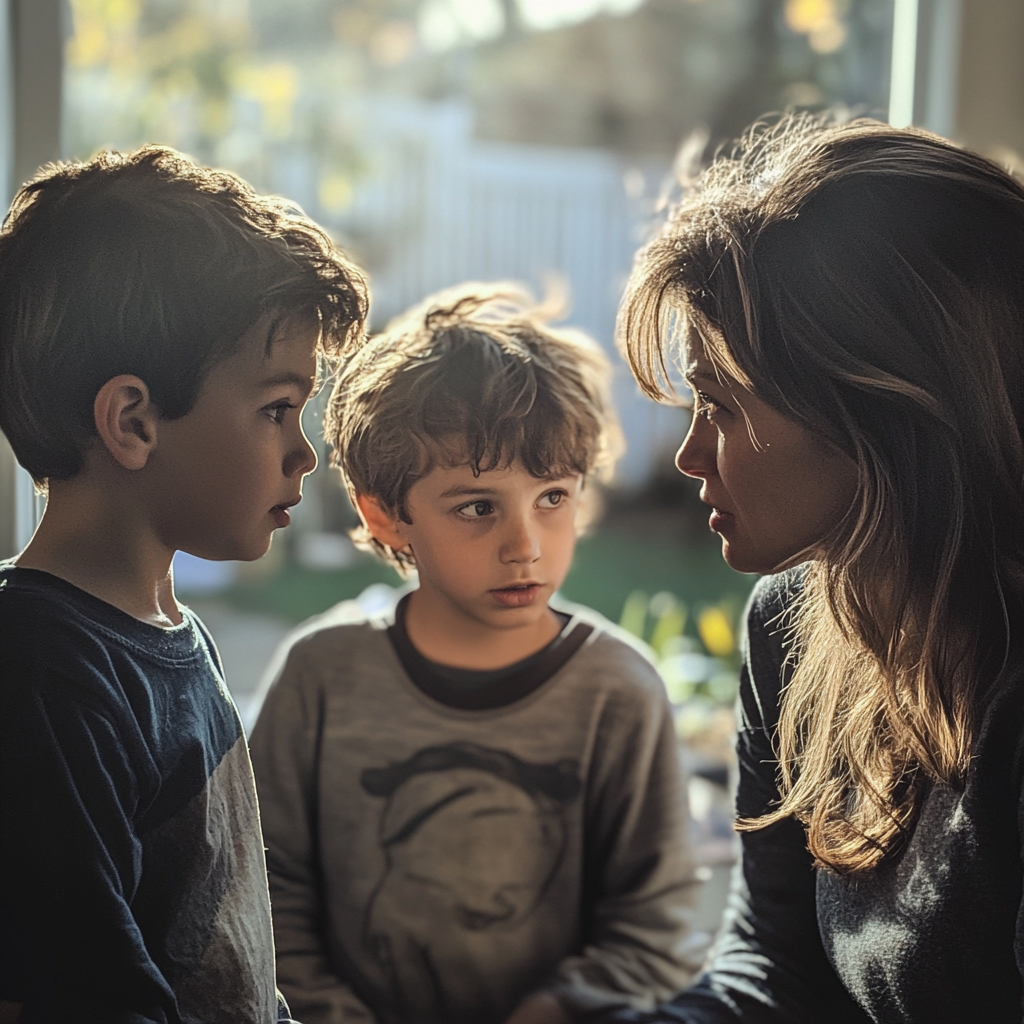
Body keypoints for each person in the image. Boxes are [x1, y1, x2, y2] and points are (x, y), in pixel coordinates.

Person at [605, 116, 1024, 1023]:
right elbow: (775, 965)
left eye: (717, 403)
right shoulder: (789, 630)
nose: (688, 458)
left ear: (877, 412)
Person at [249, 284, 705, 1024]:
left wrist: (555, 1010)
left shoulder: (617, 690)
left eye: (552, 497)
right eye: (477, 507)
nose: (524, 546)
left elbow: (656, 917)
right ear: (386, 516)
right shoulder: (321, 676)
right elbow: (267, 891)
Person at [0, 146, 367, 1022]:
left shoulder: (166, 628)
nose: (304, 453)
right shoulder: (44, 673)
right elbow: (87, 992)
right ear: (133, 421)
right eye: (276, 409)